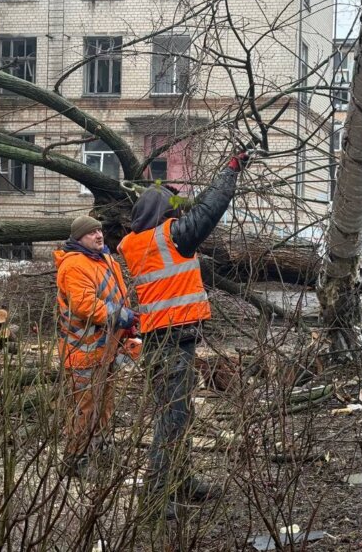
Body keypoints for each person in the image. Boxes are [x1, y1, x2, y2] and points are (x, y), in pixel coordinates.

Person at [118, 150, 249, 519]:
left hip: (166, 340)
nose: (177, 214)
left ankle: (181, 480)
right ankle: (156, 497)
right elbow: (209, 210)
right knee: (171, 421)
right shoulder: (169, 238)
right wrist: (230, 171)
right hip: (171, 342)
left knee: (179, 414)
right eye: (171, 209)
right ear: (162, 213)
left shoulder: (140, 242)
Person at [53, 215, 137, 476]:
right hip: (82, 350)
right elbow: (86, 306)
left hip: (106, 348)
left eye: (99, 230)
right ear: (79, 238)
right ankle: (75, 460)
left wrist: (127, 324)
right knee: (84, 407)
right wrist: (123, 317)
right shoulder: (74, 265)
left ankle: (100, 451)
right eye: (92, 233)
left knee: (105, 404)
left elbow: (119, 296)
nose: (99, 235)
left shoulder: (106, 260)